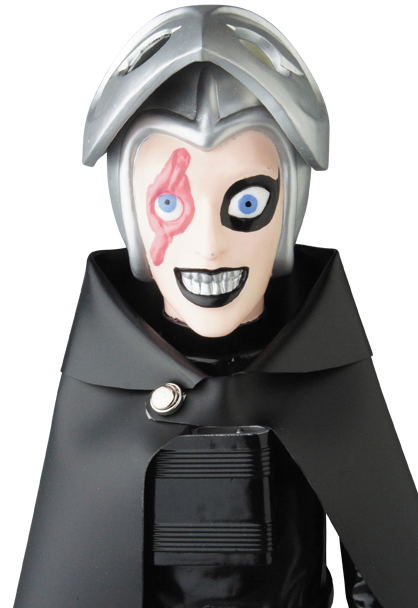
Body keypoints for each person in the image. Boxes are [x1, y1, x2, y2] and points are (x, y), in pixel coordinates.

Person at [14, 6, 418, 608]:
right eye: (170, 205)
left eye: (247, 204)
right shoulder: (103, 387)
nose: (208, 246)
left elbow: (386, 558)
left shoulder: (323, 374)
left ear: (287, 213)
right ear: (130, 215)